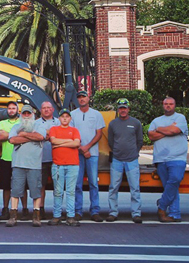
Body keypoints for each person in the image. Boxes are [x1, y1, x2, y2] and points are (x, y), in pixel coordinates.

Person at [149, 96, 189, 223]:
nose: (168, 106)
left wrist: (160, 129)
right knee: (171, 187)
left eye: (171, 104)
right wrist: (169, 130)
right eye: (166, 104)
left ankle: (162, 206)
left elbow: (175, 130)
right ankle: (174, 214)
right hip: (160, 158)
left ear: (174, 105)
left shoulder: (180, 118)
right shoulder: (156, 120)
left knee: (175, 180)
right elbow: (151, 136)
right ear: (163, 105)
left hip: (177, 157)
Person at [7, 105, 46, 227]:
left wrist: (23, 135)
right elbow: (12, 140)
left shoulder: (39, 126)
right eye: (24, 113)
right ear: (21, 115)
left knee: (36, 191)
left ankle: (36, 215)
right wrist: (30, 136)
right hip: (18, 164)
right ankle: (13, 216)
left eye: (28, 113)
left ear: (33, 114)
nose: (26, 115)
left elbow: (40, 137)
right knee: (16, 190)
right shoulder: (16, 127)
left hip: (34, 165)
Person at [69, 90, 105, 222]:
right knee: (77, 184)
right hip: (76, 154)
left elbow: (99, 134)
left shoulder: (96, 114)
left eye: (83, 97)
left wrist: (87, 147)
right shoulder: (72, 115)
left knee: (93, 183)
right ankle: (78, 211)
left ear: (88, 98)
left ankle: (95, 211)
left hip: (92, 154)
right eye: (79, 97)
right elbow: (70, 134)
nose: (81, 99)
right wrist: (81, 149)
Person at [106, 98, 143, 223]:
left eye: (125, 108)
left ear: (128, 109)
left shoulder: (136, 123)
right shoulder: (113, 124)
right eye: (121, 108)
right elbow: (110, 141)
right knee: (113, 187)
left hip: (132, 160)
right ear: (118, 109)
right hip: (117, 160)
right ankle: (113, 212)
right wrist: (117, 151)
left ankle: (136, 213)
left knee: (135, 188)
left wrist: (134, 152)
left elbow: (140, 141)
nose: (123, 110)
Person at [48, 109, 82, 226]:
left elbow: (76, 143)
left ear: (70, 118)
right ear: (59, 118)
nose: (65, 118)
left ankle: (70, 216)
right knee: (58, 192)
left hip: (73, 165)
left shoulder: (74, 130)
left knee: (70, 192)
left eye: (67, 116)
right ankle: (57, 215)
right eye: (63, 116)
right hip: (58, 165)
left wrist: (60, 143)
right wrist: (68, 141)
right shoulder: (54, 129)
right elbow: (53, 140)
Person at [0, 102, 22, 215]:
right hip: (6, 158)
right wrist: (16, 134)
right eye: (9, 108)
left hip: (20, 158)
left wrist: (8, 134)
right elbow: (0, 136)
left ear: (17, 110)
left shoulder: (22, 122)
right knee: (6, 186)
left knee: (21, 186)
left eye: (13, 108)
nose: (11, 110)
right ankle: (5, 208)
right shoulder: (2, 123)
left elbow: (25, 135)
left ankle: (23, 209)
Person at [36, 101, 59, 219]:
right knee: (41, 186)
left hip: (57, 158)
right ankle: (40, 209)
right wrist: (51, 135)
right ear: (41, 110)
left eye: (48, 108)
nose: (46, 110)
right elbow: (36, 136)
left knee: (58, 186)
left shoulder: (59, 122)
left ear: (53, 109)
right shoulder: (36, 123)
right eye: (44, 108)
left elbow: (61, 135)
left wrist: (46, 135)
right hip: (42, 158)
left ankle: (57, 210)